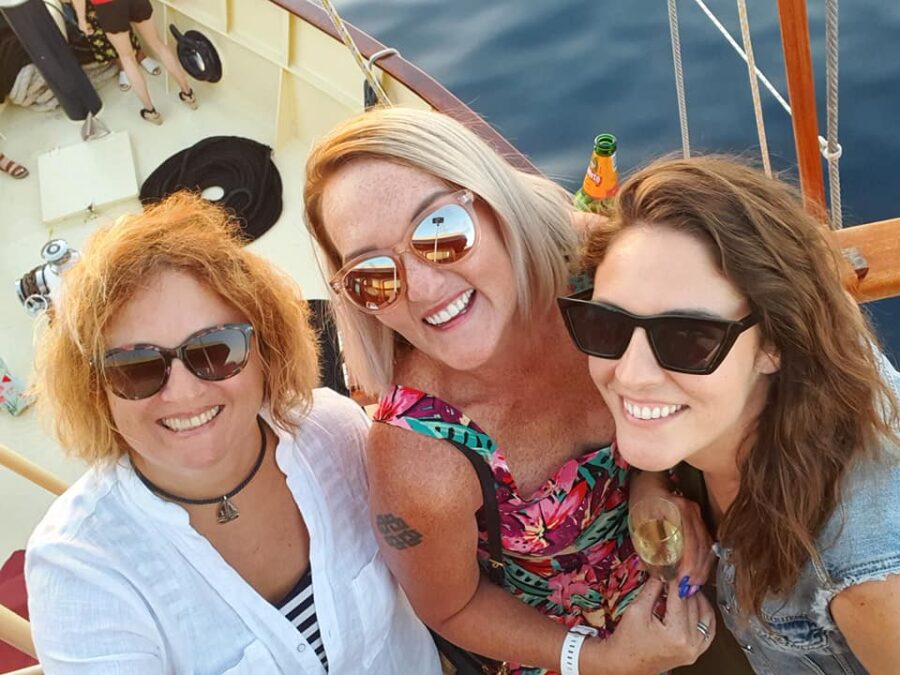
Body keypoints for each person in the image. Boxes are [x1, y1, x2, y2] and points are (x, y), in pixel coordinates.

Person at [303, 107, 718, 675]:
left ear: (493, 202)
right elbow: (452, 608)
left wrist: (653, 487)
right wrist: (601, 659)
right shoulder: (421, 456)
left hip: (680, 593)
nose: (423, 288)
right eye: (374, 274)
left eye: (439, 230)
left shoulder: (594, 277)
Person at [26, 192, 441, 674]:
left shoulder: (337, 431)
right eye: (136, 367)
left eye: (215, 349)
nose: (182, 394)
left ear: (265, 348)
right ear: (96, 388)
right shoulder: (78, 568)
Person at [562, 155, 900, 674]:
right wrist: (652, 484)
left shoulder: (869, 578)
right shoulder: (792, 380)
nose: (629, 373)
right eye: (607, 323)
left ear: (775, 344)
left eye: (688, 338)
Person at [72, 0, 196, 124]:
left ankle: (151, 112)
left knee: (128, 59)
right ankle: (189, 95)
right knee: (158, 45)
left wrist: (81, 19)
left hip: (109, 6)